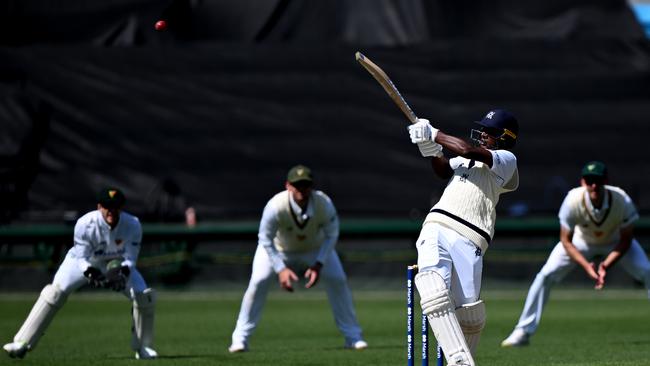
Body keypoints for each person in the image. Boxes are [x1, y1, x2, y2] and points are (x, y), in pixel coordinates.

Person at [407, 109, 519, 366]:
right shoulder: (466, 158)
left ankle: (458, 359)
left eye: (489, 132)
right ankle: (461, 362)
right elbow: (444, 169)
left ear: (505, 137)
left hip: (472, 238)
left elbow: (468, 151)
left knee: (470, 316)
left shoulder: (506, 160)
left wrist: (435, 134)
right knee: (433, 287)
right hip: (438, 223)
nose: (482, 135)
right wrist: (431, 148)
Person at [501, 161, 650, 347]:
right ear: (582, 182)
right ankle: (522, 331)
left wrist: (606, 265)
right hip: (580, 242)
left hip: (615, 241)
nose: (594, 185)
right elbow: (566, 240)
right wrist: (587, 266)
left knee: (647, 271)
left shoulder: (622, 200)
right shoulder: (572, 199)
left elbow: (626, 240)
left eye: (598, 180)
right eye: (589, 180)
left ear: (606, 181)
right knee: (545, 275)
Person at [3, 188, 158, 360]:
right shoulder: (85, 224)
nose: (111, 211)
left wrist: (122, 273)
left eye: (115, 207)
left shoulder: (133, 224)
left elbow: (130, 258)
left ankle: (142, 348)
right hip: (82, 262)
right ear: (99, 207)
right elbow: (81, 257)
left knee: (144, 296)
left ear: (121, 208)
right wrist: (90, 272)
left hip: (116, 263)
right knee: (54, 293)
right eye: (107, 207)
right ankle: (22, 343)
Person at [228, 164, 367, 353]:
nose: (301, 189)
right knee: (258, 281)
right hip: (278, 249)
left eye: (305, 185)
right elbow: (264, 239)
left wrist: (319, 264)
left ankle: (353, 337)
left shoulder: (323, 203)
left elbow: (332, 235)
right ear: (288, 185)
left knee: (338, 279)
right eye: (296, 185)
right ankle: (240, 339)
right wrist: (280, 269)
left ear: (311, 186)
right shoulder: (275, 206)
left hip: (314, 249)